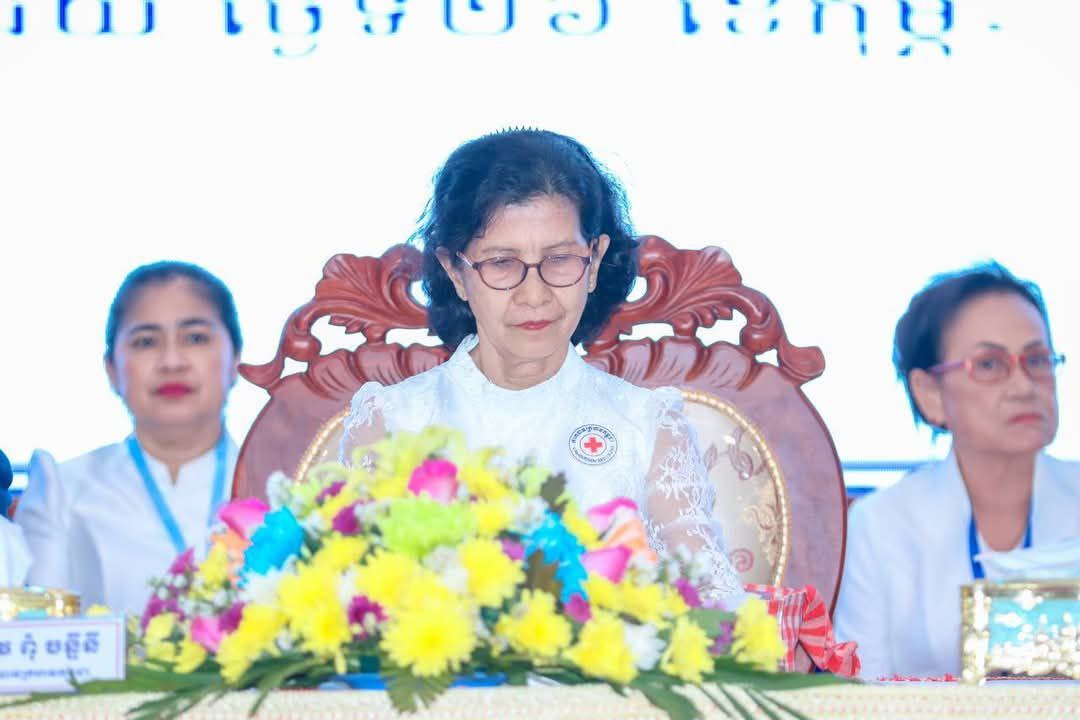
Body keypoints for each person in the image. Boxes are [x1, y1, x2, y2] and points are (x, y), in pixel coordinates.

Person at [341, 128, 745, 607]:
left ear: (594, 260)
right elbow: (352, 600)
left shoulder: (646, 426)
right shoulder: (391, 422)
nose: (534, 295)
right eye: (502, 263)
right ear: (455, 271)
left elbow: (716, 602)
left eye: (559, 259)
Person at [834, 262, 1080, 679]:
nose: (1024, 386)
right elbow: (859, 696)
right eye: (989, 364)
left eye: (1037, 360)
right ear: (929, 393)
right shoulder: (880, 526)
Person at [15, 262, 242, 614]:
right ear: (111, 369)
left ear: (236, 359)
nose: (172, 361)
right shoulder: (63, 490)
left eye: (195, 338)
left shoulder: (288, 484)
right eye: (146, 342)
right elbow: (38, 630)